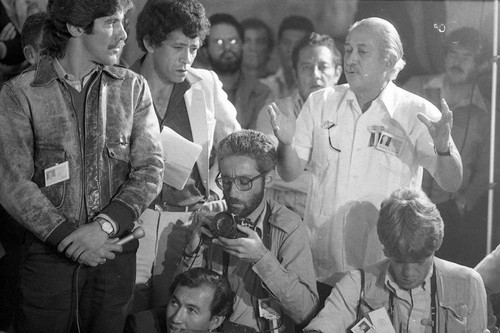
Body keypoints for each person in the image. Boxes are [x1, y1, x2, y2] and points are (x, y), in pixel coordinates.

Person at [0, 0, 164, 331]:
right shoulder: (21, 93)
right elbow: (12, 183)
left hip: (113, 256)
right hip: (48, 261)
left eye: (123, 22)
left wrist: (104, 227)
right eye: (111, 24)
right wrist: (70, 239)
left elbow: (150, 169)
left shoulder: (132, 88)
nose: (122, 34)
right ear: (76, 28)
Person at [269, 17, 463, 285]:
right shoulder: (320, 102)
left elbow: (452, 181)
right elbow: (289, 172)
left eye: (362, 51)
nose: (351, 59)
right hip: (322, 264)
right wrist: (286, 142)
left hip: (381, 269)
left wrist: (443, 149)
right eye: (348, 50)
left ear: (389, 60)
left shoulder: (417, 112)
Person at [130, 0, 240, 310]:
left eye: (193, 48)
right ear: (150, 42)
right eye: (179, 47)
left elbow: (234, 144)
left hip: (187, 221)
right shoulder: (122, 84)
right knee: (130, 313)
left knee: (178, 314)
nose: (187, 58)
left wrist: (217, 190)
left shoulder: (205, 84)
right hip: (135, 218)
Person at [177, 130, 318, 332]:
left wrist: (261, 258)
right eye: (226, 182)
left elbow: (306, 311)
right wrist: (192, 250)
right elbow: (179, 298)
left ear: (268, 179)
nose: (232, 193)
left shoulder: (289, 227)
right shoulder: (211, 217)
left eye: (244, 182)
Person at [304, 187, 488, 333]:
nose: (408, 272)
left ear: (435, 247)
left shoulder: (468, 283)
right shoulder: (356, 284)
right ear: (385, 248)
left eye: (419, 262)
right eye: (399, 261)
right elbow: (321, 327)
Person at [404, 27, 491, 268]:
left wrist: (463, 204)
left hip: (449, 213)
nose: (458, 61)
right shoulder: (415, 87)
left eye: (467, 56)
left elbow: (487, 171)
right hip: (405, 202)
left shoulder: (486, 116)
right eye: (453, 53)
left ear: (482, 66)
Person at [254, 32, 342, 218]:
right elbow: (267, 172)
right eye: (306, 67)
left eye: (323, 67)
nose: (315, 75)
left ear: (337, 73)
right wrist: (324, 180)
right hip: (279, 215)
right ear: (295, 73)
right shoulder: (274, 113)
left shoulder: (349, 117)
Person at [203, 13, 273, 129]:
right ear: (205, 50)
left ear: (242, 45)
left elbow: (263, 140)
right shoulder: (195, 90)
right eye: (219, 42)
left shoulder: (261, 92)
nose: (227, 48)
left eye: (233, 41)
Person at [260, 15, 314, 100]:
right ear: (278, 45)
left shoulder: (316, 87)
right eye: (286, 43)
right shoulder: (264, 87)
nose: (291, 49)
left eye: (298, 44)